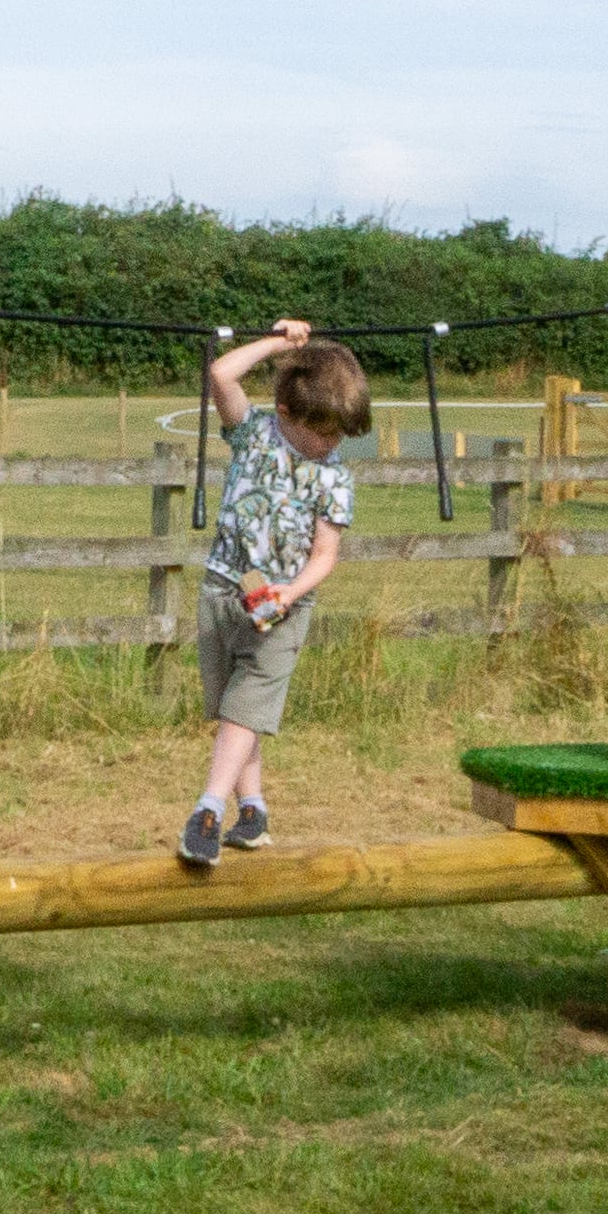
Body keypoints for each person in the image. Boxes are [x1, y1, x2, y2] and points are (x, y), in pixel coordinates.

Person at [183, 318, 370, 867]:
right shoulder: (253, 432)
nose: (333, 443)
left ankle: (208, 810)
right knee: (231, 710)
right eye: (326, 431)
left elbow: (325, 556)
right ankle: (254, 810)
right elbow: (221, 372)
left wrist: (290, 594)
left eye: (341, 434)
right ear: (288, 414)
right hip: (223, 588)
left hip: (283, 606)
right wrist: (286, 345)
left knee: (247, 706)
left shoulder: (335, 478)